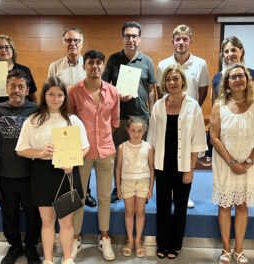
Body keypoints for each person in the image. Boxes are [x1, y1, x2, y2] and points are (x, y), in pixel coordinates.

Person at [15, 76, 90, 264]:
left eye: (60, 95)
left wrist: (73, 162)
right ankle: (48, 259)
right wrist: (40, 152)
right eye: (51, 94)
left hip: (67, 173)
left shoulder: (73, 120)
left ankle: (67, 258)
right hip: (43, 173)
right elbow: (21, 149)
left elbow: (85, 146)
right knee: (47, 221)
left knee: (66, 222)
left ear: (65, 97)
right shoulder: (33, 120)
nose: (55, 99)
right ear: (43, 95)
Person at [209, 63, 254, 264]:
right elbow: (214, 137)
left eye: (241, 76)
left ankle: (239, 250)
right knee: (225, 206)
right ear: (227, 83)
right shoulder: (219, 105)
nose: (237, 79)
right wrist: (232, 162)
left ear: (247, 79)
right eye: (233, 77)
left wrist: (248, 162)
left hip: (250, 164)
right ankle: (226, 250)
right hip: (226, 163)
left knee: (242, 206)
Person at [147, 64, 207, 259]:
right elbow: (152, 140)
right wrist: (151, 169)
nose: (171, 82)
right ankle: (162, 244)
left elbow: (198, 141)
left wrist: (190, 169)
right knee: (163, 206)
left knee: (180, 207)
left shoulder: (193, 105)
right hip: (162, 165)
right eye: (168, 79)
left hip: (183, 166)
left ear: (182, 81)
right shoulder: (158, 106)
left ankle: (175, 244)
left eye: (175, 79)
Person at [69, 49, 120, 261]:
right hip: (81, 153)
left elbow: (115, 123)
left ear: (103, 66)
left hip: (105, 151)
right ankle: (75, 238)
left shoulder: (113, 92)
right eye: (91, 62)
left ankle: (104, 237)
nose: (95, 66)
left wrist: (103, 141)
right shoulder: (73, 92)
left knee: (105, 197)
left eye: (99, 62)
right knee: (78, 197)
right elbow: (69, 123)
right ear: (84, 65)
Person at [102, 21, 156, 204]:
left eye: (134, 36)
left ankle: (142, 189)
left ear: (139, 39)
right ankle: (118, 188)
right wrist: (117, 95)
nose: (131, 39)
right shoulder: (113, 59)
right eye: (127, 36)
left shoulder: (147, 61)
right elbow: (104, 86)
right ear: (123, 38)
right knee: (119, 155)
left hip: (141, 116)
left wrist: (152, 111)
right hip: (119, 116)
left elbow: (150, 89)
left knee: (141, 155)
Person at [156, 24, 210, 207]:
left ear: (190, 41)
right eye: (178, 39)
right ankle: (167, 193)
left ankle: (184, 195)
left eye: (184, 39)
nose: (181, 42)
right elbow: (159, 91)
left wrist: (189, 110)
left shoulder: (201, 64)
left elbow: (203, 91)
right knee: (169, 157)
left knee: (188, 157)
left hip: (189, 117)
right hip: (168, 117)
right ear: (172, 42)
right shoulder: (162, 64)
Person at [0, 70, 41, 264]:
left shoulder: (36, 110)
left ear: (27, 89)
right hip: (5, 173)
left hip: (30, 174)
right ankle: (14, 246)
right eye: (13, 86)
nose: (17, 90)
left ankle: (31, 247)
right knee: (8, 213)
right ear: (6, 87)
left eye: (21, 86)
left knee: (32, 213)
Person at [47, 27, 96, 208]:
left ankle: (86, 191)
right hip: (61, 117)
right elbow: (49, 91)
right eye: (68, 40)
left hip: (84, 117)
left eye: (76, 40)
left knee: (84, 154)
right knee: (63, 154)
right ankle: (65, 190)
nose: (72, 44)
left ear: (82, 43)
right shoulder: (55, 66)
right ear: (63, 43)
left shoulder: (89, 65)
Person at [206, 35, 254, 174]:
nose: (230, 54)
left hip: (246, 134)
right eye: (226, 51)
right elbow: (215, 106)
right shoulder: (217, 77)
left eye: (233, 50)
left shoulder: (253, 75)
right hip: (225, 135)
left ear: (241, 51)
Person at [115, 116, 154, 258]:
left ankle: (138, 241)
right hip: (127, 182)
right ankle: (130, 240)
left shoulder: (148, 147)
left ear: (144, 131)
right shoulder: (122, 147)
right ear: (128, 130)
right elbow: (118, 168)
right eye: (133, 130)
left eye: (139, 131)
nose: (136, 134)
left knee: (141, 211)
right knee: (129, 212)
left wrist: (150, 188)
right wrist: (118, 187)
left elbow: (151, 168)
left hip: (143, 182)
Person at [0, 35, 38, 111]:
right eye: (0, 47)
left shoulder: (24, 70)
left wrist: (35, 115)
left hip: (20, 115)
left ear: (12, 50)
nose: (3, 50)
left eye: (7, 47)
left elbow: (33, 98)